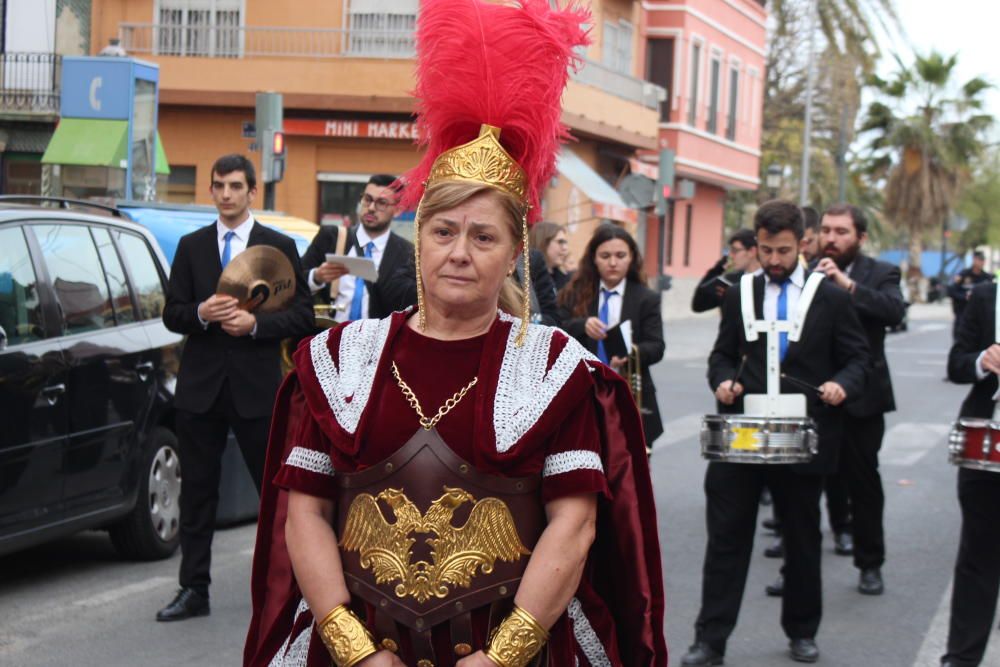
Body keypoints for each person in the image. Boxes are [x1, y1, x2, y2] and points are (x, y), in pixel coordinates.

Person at [243, 1, 666, 665]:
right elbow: (305, 513)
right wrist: (353, 646)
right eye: (443, 231)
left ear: (513, 251)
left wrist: (504, 654)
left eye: (483, 235)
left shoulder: (554, 368)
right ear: (421, 242)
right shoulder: (339, 360)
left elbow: (574, 522)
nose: (460, 252)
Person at [680, 200, 870, 666]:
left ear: (802, 244)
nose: (774, 260)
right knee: (726, 538)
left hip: (803, 435)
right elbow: (721, 356)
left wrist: (840, 386)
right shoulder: (740, 292)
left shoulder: (831, 297)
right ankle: (710, 640)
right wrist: (722, 381)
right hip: (741, 433)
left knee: (802, 538)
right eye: (766, 250)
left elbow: (858, 359)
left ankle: (802, 630)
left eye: (783, 250)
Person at [157, 154, 313, 622]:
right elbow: (172, 313)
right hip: (200, 389)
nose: (226, 194)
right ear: (211, 191)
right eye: (218, 185)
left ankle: (287, 592)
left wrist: (254, 326)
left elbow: (303, 315)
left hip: (256, 389)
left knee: (275, 495)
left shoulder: (278, 244)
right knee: (197, 493)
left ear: (252, 192)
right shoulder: (191, 246)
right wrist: (201, 314)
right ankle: (193, 589)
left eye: (234, 186)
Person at [812, 203, 906, 596]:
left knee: (863, 483)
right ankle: (797, 567)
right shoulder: (807, 270)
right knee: (805, 484)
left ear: (860, 238)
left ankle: (870, 563)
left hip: (863, 398)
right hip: (816, 395)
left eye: (841, 232)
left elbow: (893, 311)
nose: (831, 239)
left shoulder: (880, 273)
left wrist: (847, 286)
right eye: (826, 230)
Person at [558, 224, 666, 452]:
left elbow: (656, 346)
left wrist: (630, 354)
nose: (613, 263)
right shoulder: (575, 292)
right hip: (582, 393)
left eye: (620, 255)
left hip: (629, 393)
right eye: (605, 256)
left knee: (630, 476)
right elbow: (556, 327)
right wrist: (582, 325)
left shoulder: (647, 298)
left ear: (632, 258)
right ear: (594, 259)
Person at [942, 281, 1000, 667]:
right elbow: (956, 363)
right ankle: (961, 659)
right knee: (978, 555)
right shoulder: (985, 296)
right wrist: (982, 360)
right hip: (987, 442)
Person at [300, 174, 416, 321]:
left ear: (398, 210)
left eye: (382, 203)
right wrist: (316, 277)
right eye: (367, 199)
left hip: (378, 341)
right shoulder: (330, 237)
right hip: (328, 337)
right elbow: (295, 282)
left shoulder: (406, 254)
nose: (371, 208)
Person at [691, 228, 759, 313]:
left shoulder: (768, 280)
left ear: (752, 251)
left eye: (735, 251)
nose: (730, 255)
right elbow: (698, 305)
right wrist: (717, 269)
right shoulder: (730, 280)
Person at [948, 251, 993, 337]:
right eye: (979, 260)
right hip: (963, 313)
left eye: (983, 260)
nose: (981, 262)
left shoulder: (987, 277)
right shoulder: (963, 275)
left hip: (981, 316)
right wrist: (965, 297)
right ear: (974, 260)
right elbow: (952, 291)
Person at [530, 221, 572, 292]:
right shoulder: (527, 279)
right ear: (543, 242)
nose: (565, 248)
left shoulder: (566, 281)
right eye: (560, 242)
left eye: (565, 243)